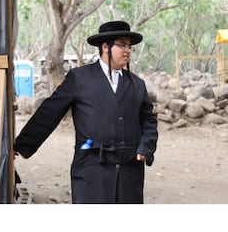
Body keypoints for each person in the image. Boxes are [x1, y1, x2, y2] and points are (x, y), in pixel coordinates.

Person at [13, 20, 158, 204]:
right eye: (122, 45)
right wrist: (20, 146)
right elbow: (49, 112)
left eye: (129, 46)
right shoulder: (80, 78)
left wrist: (146, 146)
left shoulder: (137, 84)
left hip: (129, 169)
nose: (127, 50)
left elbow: (149, 120)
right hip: (91, 166)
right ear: (105, 46)